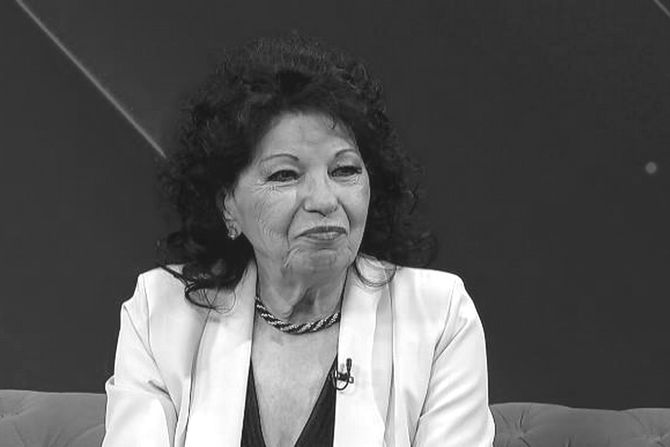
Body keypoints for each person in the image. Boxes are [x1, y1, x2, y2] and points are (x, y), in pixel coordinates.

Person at [102, 32, 495, 447]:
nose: (324, 200)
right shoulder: (160, 312)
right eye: (285, 175)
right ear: (228, 205)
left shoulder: (438, 316)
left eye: (344, 170)